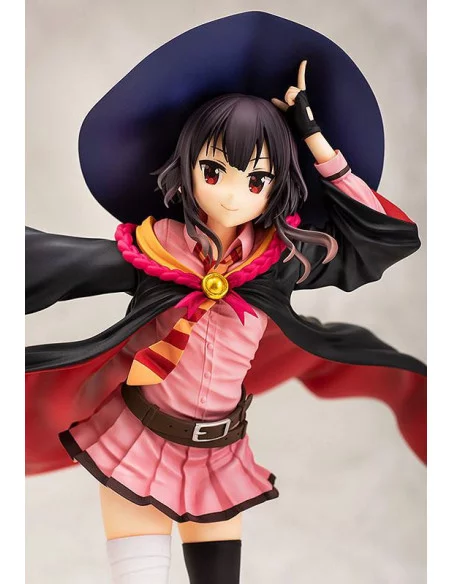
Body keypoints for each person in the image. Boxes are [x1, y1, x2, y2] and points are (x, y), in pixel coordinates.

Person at [25, 12, 426, 584]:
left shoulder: (280, 262)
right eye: (214, 171)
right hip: (136, 444)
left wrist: (316, 141)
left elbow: (383, 240)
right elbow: (49, 262)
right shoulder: (155, 251)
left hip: (219, 457)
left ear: (277, 187)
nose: (235, 195)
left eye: (256, 180)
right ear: (187, 165)